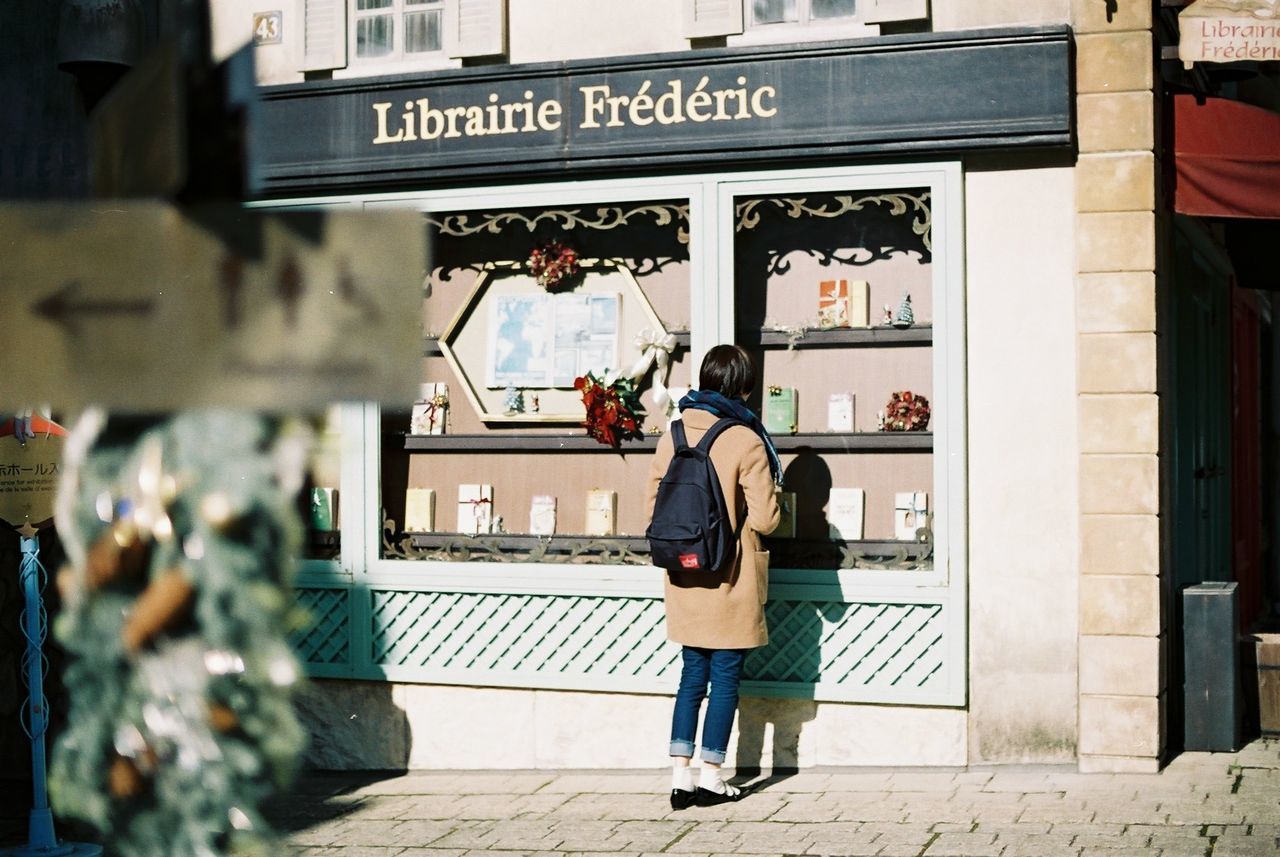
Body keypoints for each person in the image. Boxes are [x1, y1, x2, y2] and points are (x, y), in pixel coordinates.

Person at [644, 344, 782, 809]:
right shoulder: (745, 438)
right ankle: (712, 777)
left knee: (690, 676)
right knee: (724, 677)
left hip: (684, 575)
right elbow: (765, 520)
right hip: (730, 575)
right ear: (742, 386)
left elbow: (652, 509)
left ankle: (680, 778)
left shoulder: (673, 434)